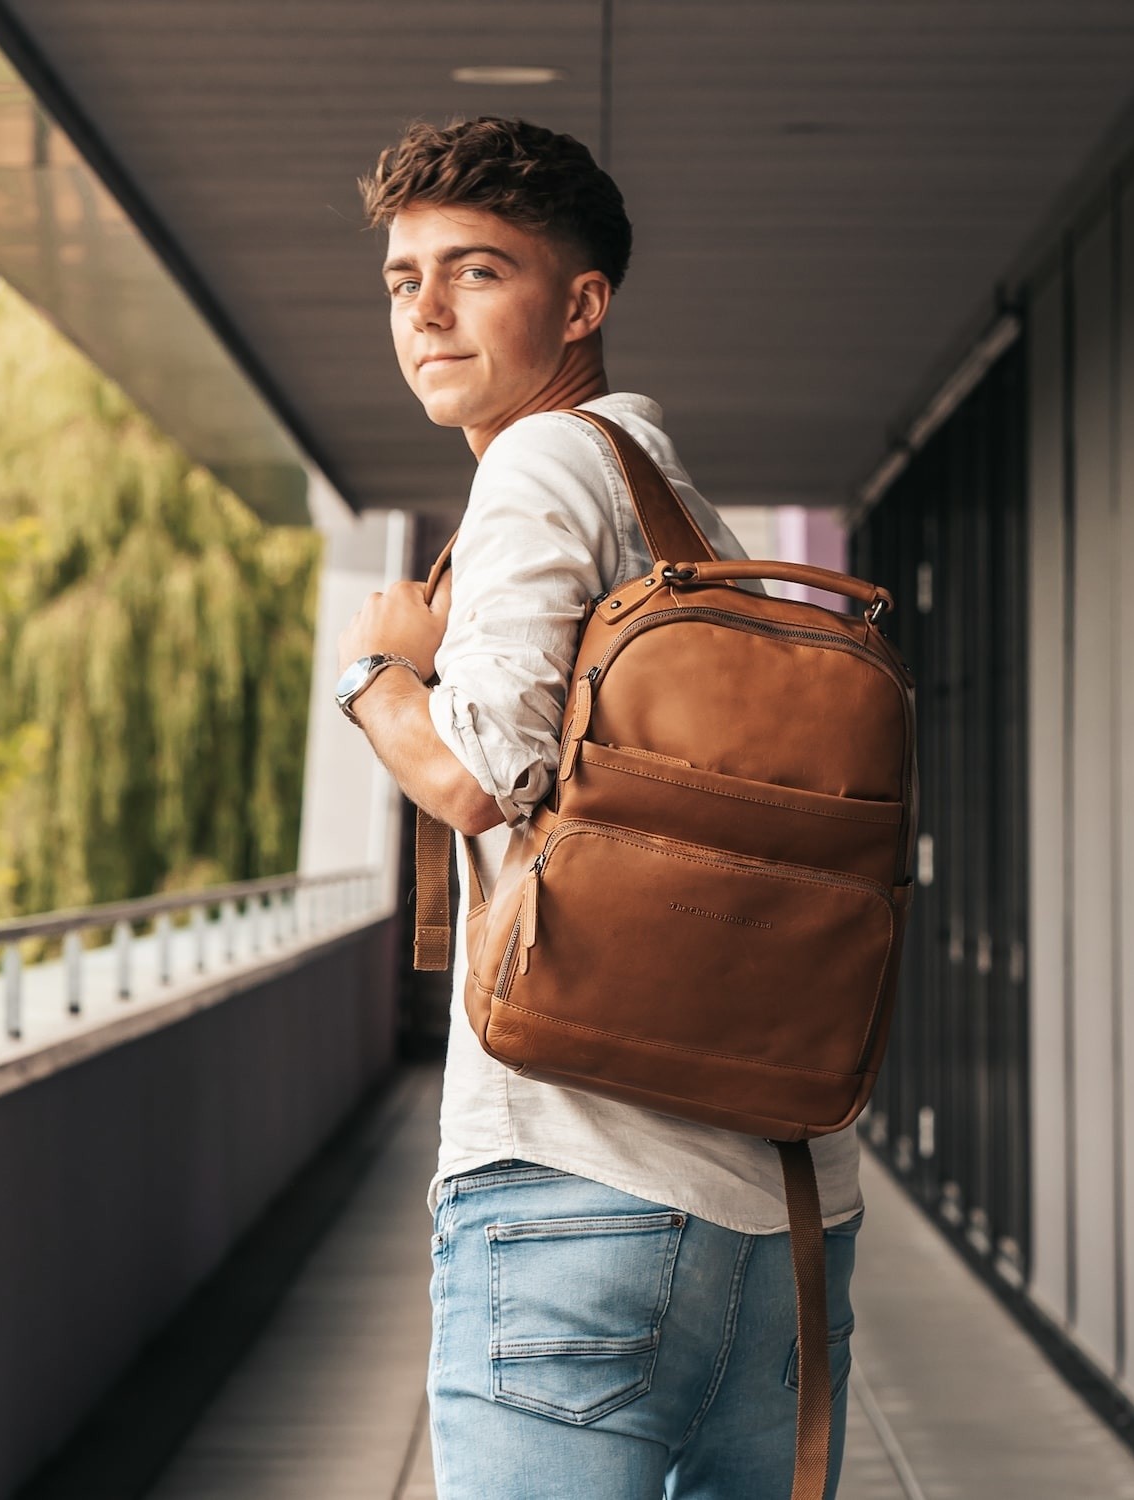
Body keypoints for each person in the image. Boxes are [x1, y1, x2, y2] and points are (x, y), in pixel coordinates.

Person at [337, 116, 863, 1500]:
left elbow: (476, 773)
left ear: (582, 304)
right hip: (786, 1210)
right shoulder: (681, 512)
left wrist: (380, 670)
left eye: (477, 272)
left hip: (577, 1189)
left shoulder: (539, 464)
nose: (428, 311)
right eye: (404, 279)